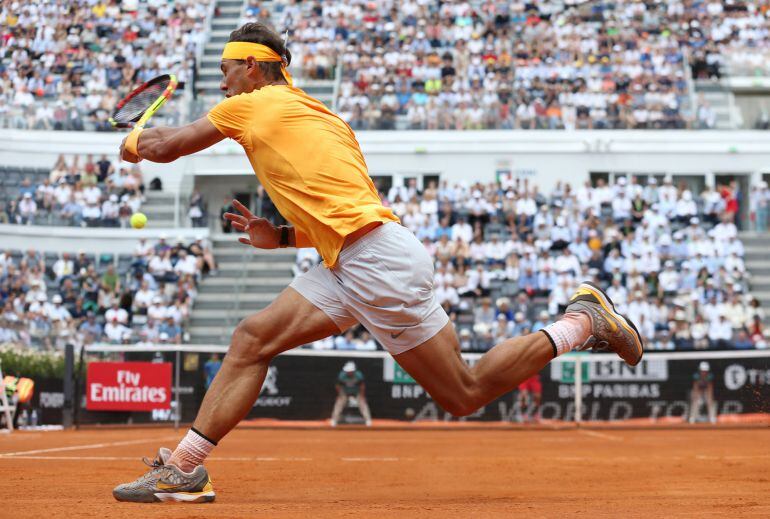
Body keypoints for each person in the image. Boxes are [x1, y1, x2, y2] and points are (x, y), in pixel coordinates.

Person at [113, 22, 644, 504]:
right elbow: (342, 207)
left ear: (252, 66)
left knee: (464, 390)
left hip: (373, 263)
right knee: (255, 338)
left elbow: (168, 145)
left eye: (227, 70)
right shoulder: (323, 117)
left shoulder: (250, 105)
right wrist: (277, 235)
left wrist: (132, 141)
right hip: (364, 256)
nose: (223, 81)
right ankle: (184, 470)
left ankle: (580, 324)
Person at [330, 361, 372, 427]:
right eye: (347, 371)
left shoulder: (359, 375)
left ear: (354, 371)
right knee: (339, 403)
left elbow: (362, 386)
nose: (348, 372)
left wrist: (362, 395)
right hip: (345, 392)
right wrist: (339, 395)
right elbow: (337, 386)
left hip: (356, 392)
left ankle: (368, 420)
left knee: (362, 403)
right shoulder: (342, 375)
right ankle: (334, 420)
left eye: (350, 371)